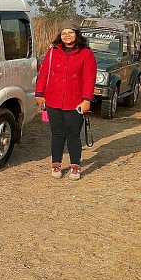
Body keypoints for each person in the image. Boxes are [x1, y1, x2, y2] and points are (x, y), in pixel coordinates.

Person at [35, 20, 97, 180]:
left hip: (75, 102)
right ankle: (56, 164)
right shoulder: (52, 52)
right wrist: (39, 94)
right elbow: (43, 74)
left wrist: (86, 100)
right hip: (53, 99)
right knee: (57, 134)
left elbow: (89, 79)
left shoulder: (86, 54)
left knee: (73, 134)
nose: (67, 36)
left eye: (70, 32)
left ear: (77, 34)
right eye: (64, 33)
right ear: (60, 36)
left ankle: (75, 166)